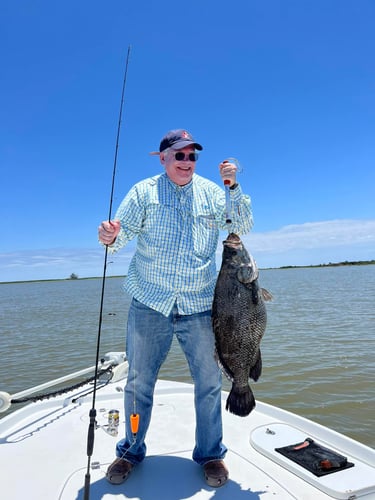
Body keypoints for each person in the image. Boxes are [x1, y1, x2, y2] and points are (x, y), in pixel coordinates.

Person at [98, 129, 253, 487]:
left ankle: (211, 455)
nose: (187, 162)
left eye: (192, 156)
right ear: (163, 157)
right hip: (150, 302)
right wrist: (108, 236)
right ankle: (130, 451)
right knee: (138, 383)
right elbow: (118, 238)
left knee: (210, 382)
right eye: (179, 155)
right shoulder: (143, 192)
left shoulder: (214, 194)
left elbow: (242, 225)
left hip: (200, 305)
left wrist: (232, 185)